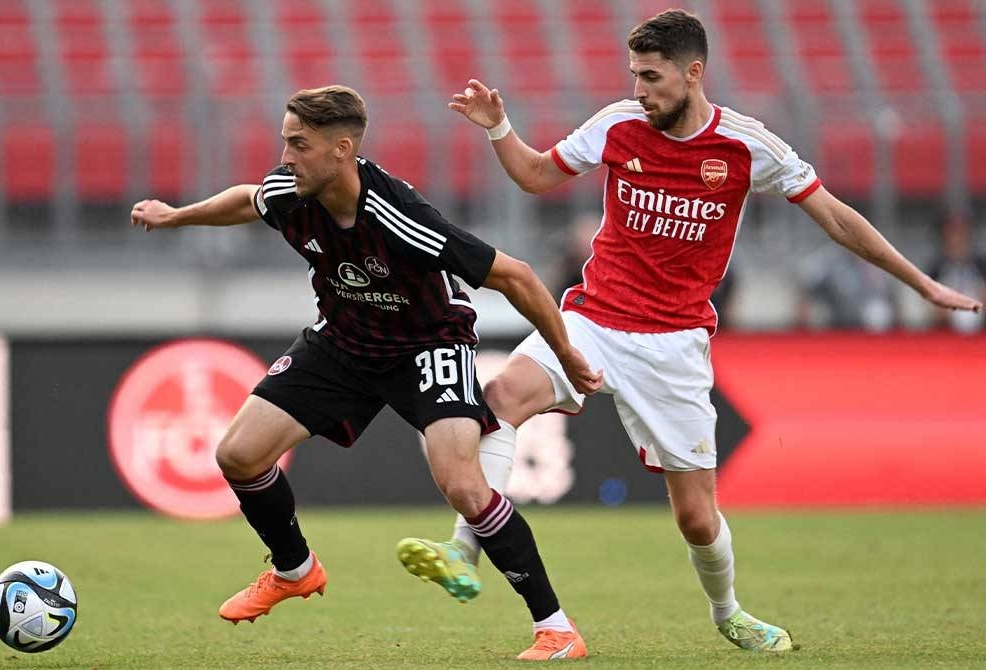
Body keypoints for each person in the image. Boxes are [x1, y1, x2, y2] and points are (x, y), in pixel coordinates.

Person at [396, 10, 983, 653]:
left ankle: (728, 612)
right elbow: (537, 175)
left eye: (651, 77)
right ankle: (462, 551)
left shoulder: (745, 144)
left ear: (693, 72)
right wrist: (499, 128)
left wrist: (921, 285)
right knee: (503, 397)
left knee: (696, 518)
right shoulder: (618, 123)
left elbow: (836, 220)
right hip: (594, 316)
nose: (640, 89)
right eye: (634, 76)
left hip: (674, 343)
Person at [130, 85, 603, 661]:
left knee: (461, 483)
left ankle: (556, 628)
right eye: (284, 141)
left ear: (341, 150)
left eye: (298, 145)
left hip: (427, 344)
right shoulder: (291, 191)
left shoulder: (398, 215)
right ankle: (294, 569)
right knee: (238, 454)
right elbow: (247, 200)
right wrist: (176, 216)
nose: (285, 157)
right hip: (345, 342)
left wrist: (570, 355)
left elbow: (519, 277)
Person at [927, 213, 986, 333]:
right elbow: (926, 300)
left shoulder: (981, 265)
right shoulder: (936, 267)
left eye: (961, 235)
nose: (956, 240)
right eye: (952, 235)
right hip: (946, 327)